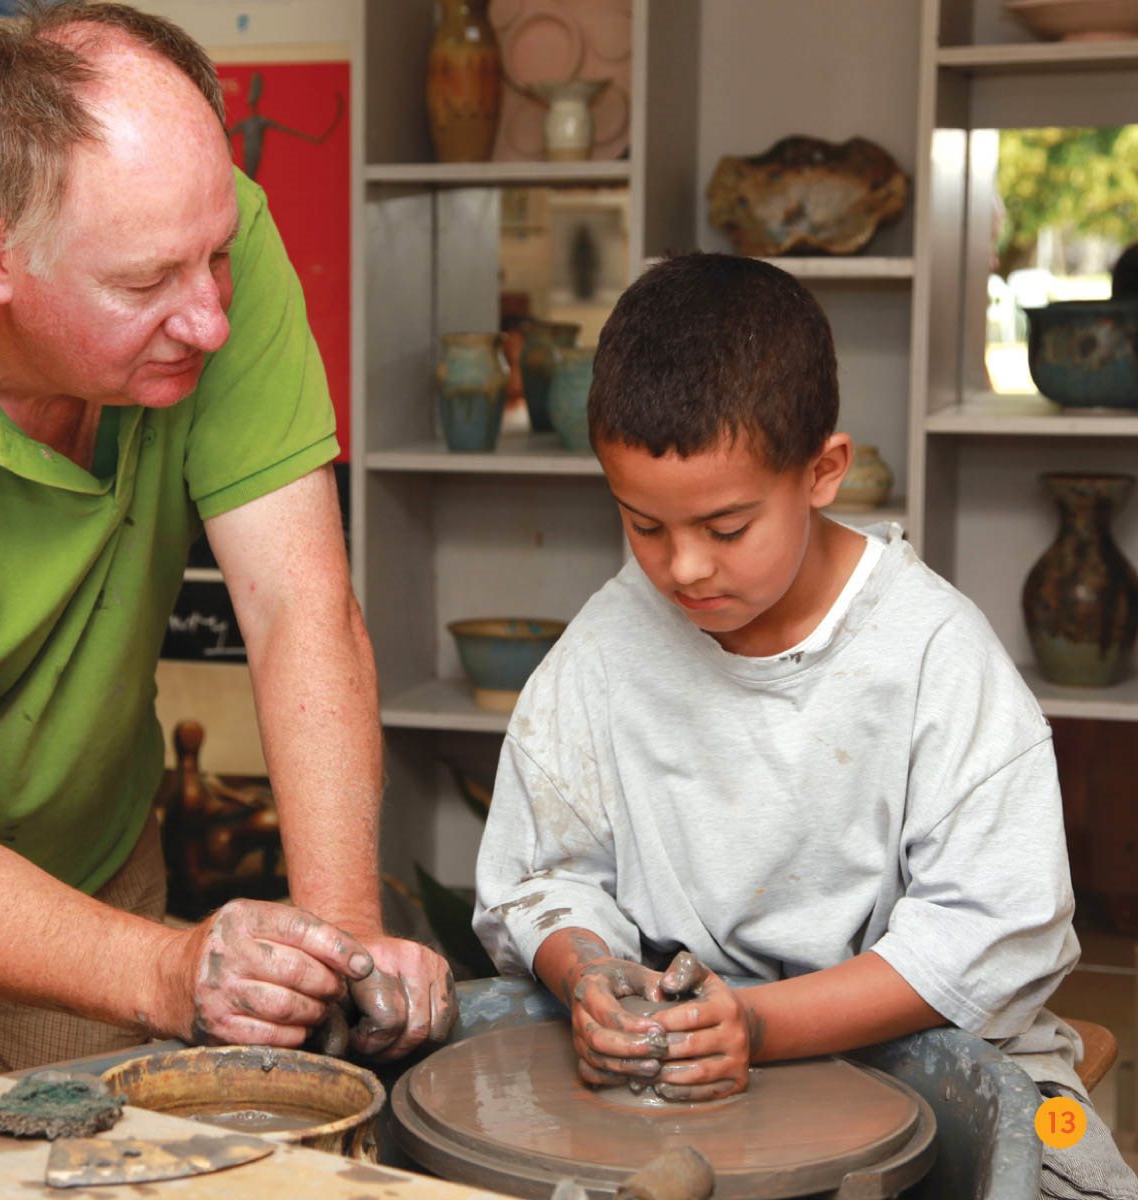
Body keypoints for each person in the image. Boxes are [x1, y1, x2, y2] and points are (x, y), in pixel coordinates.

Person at [474, 253, 1138, 1199]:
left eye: (728, 527)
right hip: (688, 1059)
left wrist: (763, 1023)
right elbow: (541, 874)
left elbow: (992, 933)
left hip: (939, 1045)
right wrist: (587, 974)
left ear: (824, 471)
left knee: (1056, 1164)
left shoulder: (931, 657)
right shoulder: (607, 647)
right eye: (644, 526)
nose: (685, 569)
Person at [0, 1, 454, 1073]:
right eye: (142, 285)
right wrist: (173, 971)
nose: (209, 318)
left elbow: (298, 609)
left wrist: (345, 935)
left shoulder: (199, 238)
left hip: (76, 860)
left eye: (215, 258)